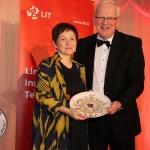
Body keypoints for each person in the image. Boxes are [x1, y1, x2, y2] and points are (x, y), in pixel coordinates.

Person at [74, 0, 145, 150]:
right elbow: (76, 79)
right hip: (90, 121)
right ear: (94, 20)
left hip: (121, 121)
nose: (105, 22)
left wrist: (120, 103)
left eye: (110, 18)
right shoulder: (81, 45)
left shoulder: (132, 44)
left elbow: (137, 82)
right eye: (100, 17)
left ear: (117, 21)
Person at [31, 23, 89, 150]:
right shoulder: (47, 65)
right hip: (55, 125)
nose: (69, 42)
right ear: (55, 44)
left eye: (72, 38)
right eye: (63, 39)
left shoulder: (81, 68)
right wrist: (67, 111)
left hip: (78, 124)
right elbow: (42, 96)